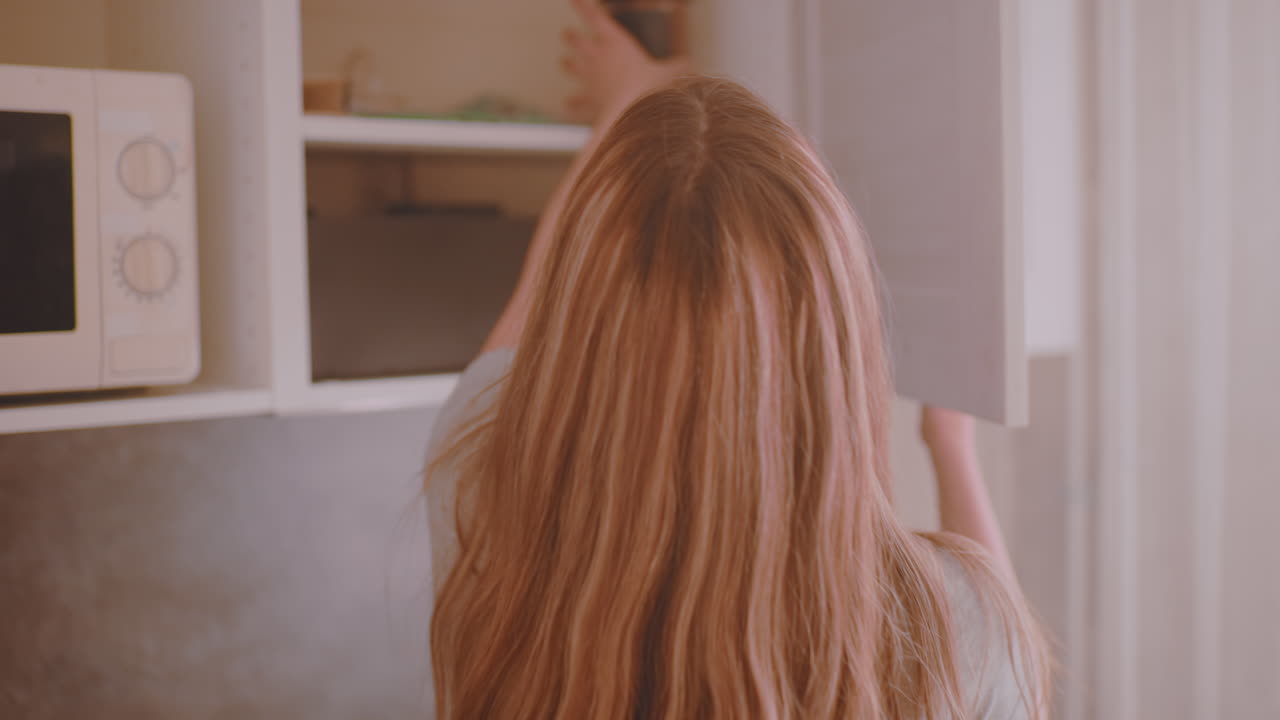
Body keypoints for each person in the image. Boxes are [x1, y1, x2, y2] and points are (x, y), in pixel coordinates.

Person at [424, 0, 1052, 717]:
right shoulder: (951, 626)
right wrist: (950, 448)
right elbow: (1015, 686)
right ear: (839, 348)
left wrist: (627, 101)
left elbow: (534, 307)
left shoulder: (478, 492)